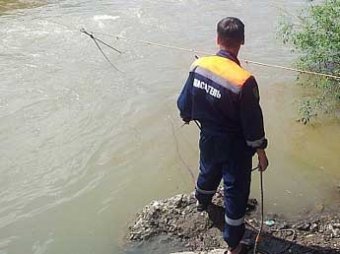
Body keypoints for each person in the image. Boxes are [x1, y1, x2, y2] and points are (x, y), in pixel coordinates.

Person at [177, 17, 269, 254]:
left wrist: (186, 116)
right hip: (235, 146)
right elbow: (253, 124)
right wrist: (261, 152)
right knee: (235, 190)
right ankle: (234, 244)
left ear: (217, 39)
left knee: (208, 169)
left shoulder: (198, 66)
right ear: (242, 41)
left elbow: (184, 102)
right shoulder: (244, 80)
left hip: (208, 137)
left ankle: (202, 201)